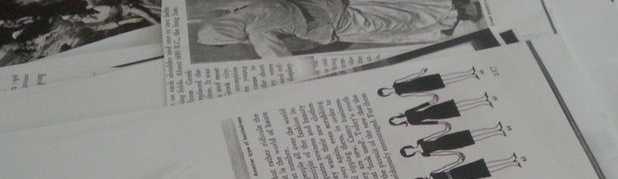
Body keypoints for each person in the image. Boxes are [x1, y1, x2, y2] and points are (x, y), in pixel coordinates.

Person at [196, 0, 466, 59]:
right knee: (391, 9)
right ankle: (446, 8)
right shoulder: (252, 8)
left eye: (224, 41)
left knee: (395, 23)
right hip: (332, 5)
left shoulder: (257, 30)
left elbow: (278, 62)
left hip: (336, 23)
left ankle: (448, 17)